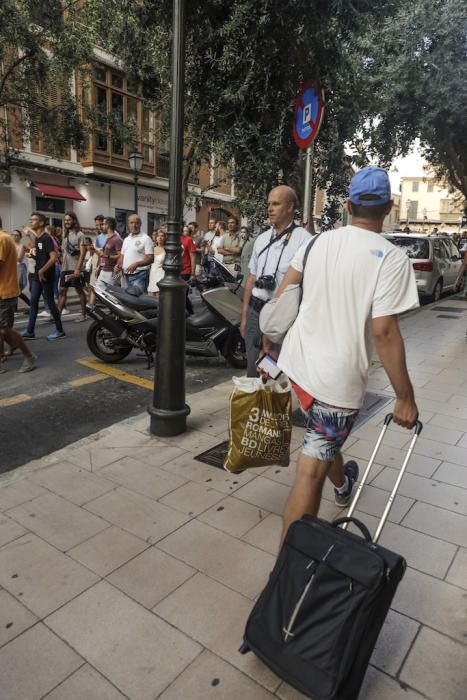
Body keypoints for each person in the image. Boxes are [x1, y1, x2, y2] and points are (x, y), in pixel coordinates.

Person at [269, 167, 419, 546]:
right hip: (337, 382)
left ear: (349, 205)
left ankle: (343, 485)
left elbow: (283, 295)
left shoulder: (316, 243)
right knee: (309, 473)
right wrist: (405, 397)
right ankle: (286, 575)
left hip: (299, 368)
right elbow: (384, 332)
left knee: (322, 439)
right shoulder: (391, 257)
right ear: (386, 208)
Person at [240, 186, 311, 377]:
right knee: (253, 369)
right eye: (269, 204)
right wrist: (245, 316)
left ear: (290, 207)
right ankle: (255, 403)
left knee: (276, 371)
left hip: (282, 316)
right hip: (256, 311)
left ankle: (273, 405)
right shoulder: (261, 240)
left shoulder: (304, 240)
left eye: (276, 204)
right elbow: (252, 279)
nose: (270, 209)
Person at [19, 212, 66, 342]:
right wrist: (32, 254)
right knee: (33, 301)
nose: (30, 222)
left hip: (46, 276)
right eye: (30, 219)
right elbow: (41, 257)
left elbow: (53, 258)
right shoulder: (38, 239)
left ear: (40, 223)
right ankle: (30, 331)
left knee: (50, 303)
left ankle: (60, 330)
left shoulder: (46, 238)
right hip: (36, 275)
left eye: (34, 220)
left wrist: (42, 271)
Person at [0, 217, 37, 372]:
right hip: (4, 290)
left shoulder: (1, 239)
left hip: (4, 292)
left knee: (5, 329)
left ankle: (29, 356)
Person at [58, 211, 87, 323]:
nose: (67, 222)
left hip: (75, 267)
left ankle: (83, 314)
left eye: (69, 220)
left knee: (79, 291)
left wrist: (78, 269)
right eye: (65, 220)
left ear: (74, 220)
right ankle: (57, 315)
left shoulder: (80, 235)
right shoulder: (65, 236)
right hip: (65, 268)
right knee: (62, 290)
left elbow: (83, 253)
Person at [115, 214, 154, 293]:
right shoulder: (126, 239)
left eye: (136, 223)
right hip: (126, 276)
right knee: (128, 301)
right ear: (128, 224)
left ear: (140, 224)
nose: (134, 225)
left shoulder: (146, 239)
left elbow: (151, 258)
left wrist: (137, 264)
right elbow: (122, 256)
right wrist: (118, 265)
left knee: (138, 302)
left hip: (140, 275)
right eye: (131, 223)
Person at [96, 217, 123, 286]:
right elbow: (103, 255)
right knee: (99, 292)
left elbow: (120, 256)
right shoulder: (108, 238)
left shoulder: (117, 239)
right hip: (104, 269)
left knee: (110, 295)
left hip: (111, 272)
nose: (102, 226)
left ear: (107, 225)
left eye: (103, 224)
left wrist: (106, 256)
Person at [12, 229, 29, 308]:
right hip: (11, 268)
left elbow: (19, 259)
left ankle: (31, 305)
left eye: (16, 235)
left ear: (20, 237)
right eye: (13, 235)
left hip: (19, 268)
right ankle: (14, 309)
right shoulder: (10, 245)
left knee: (16, 290)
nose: (14, 236)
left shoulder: (22, 246)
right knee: (14, 290)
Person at [181, 224, 196, 314]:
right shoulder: (171, 239)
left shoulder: (188, 239)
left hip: (185, 271)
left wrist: (192, 273)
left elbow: (193, 257)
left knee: (182, 295)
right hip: (174, 272)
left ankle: (190, 313)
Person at [148, 229, 167, 297]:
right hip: (152, 274)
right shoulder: (152, 249)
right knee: (151, 298)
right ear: (156, 238)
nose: (160, 238)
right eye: (158, 236)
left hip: (162, 275)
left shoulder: (167, 249)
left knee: (159, 298)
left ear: (165, 238)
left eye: (162, 236)